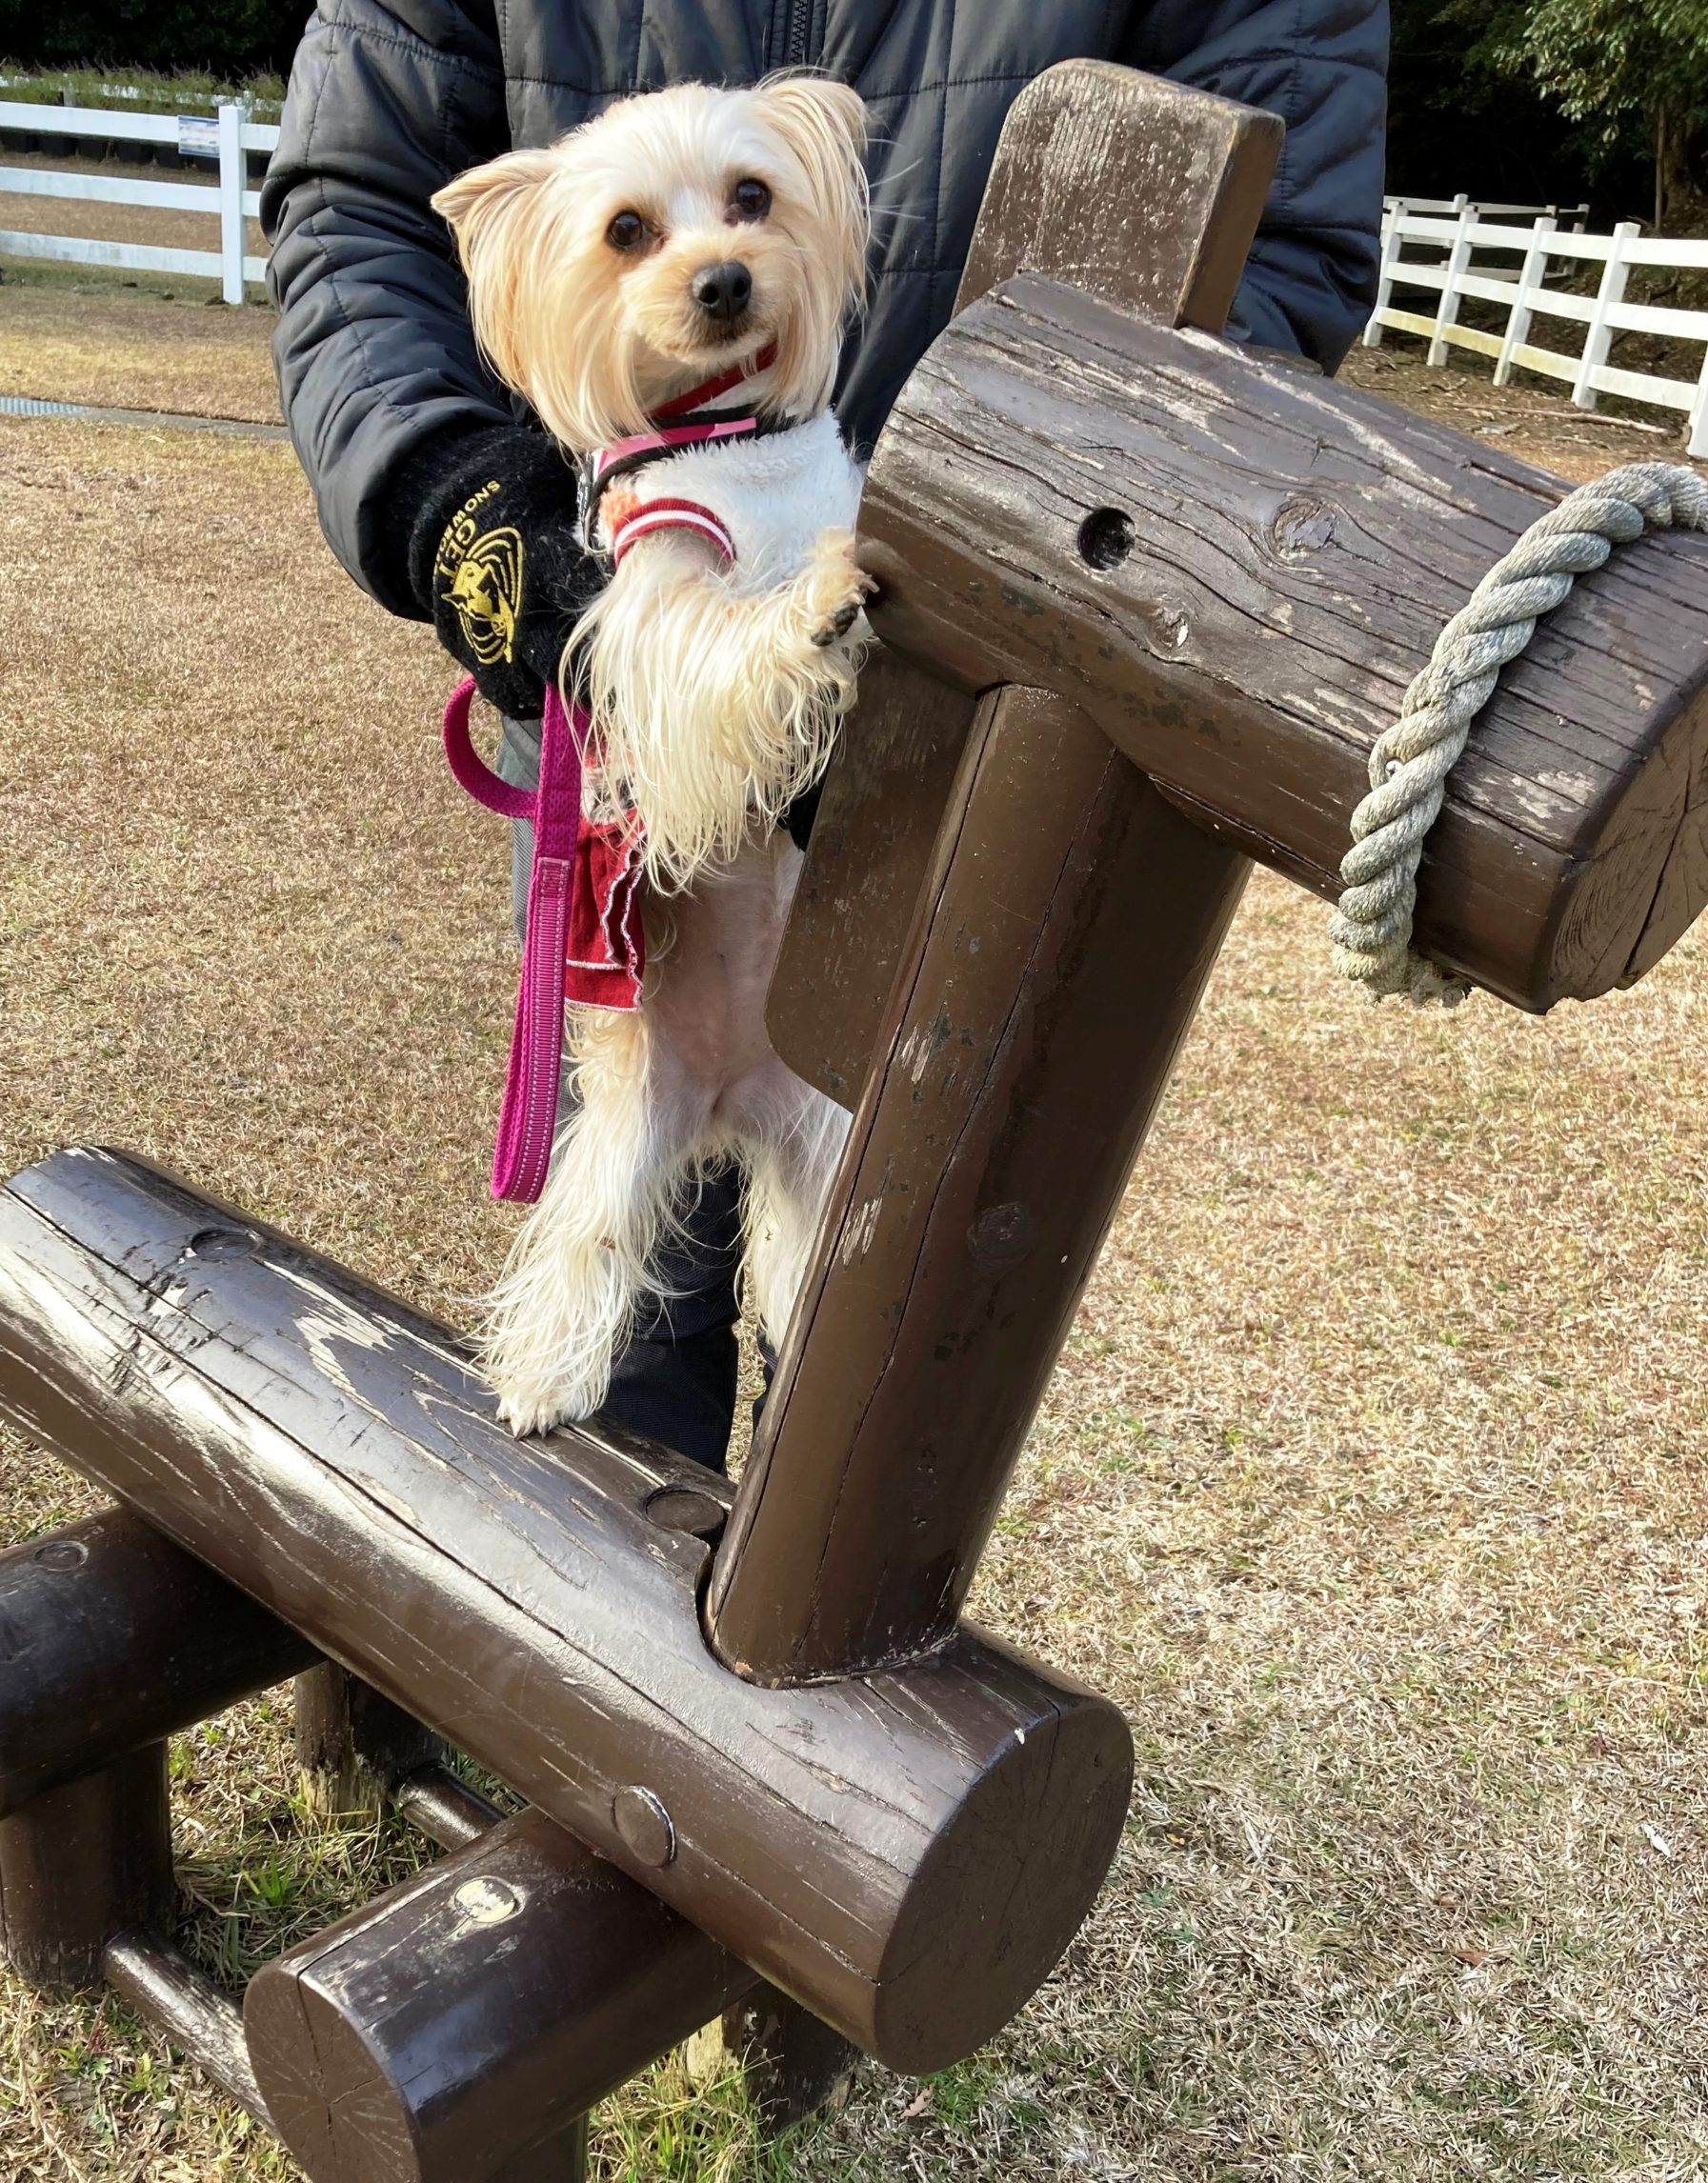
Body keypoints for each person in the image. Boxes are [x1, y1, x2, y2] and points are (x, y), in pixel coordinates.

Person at [262, 0, 1388, 1474]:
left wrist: (1047, 535)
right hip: (677, 912)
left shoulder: (799, 459)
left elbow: (1281, 237)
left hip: (928, 848)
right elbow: (357, 207)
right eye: (635, 234)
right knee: (612, 1359)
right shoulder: (658, 492)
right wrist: (454, 499)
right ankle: (560, 1386)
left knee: (849, 1353)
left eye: (748, 204)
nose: (713, 261)